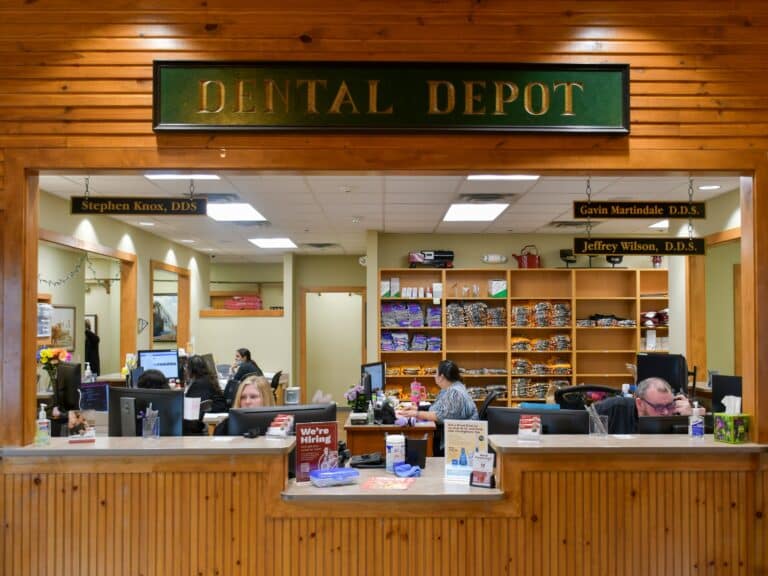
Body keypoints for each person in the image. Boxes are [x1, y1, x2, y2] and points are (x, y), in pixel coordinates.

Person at [397, 360, 478, 454]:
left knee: (418, 442)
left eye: (436, 373)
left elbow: (440, 416)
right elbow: (437, 408)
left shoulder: (455, 393)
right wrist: (416, 409)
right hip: (455, 435)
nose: (434, 376)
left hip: (459, 441)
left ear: (442, 377)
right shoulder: (450, 388)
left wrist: (416, 413)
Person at [594, 377, 694, 434]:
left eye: (669, 405)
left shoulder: (677, 413)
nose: (666, 412)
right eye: (658, 407)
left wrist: (690, 419)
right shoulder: (612, 409)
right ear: (640, 403)